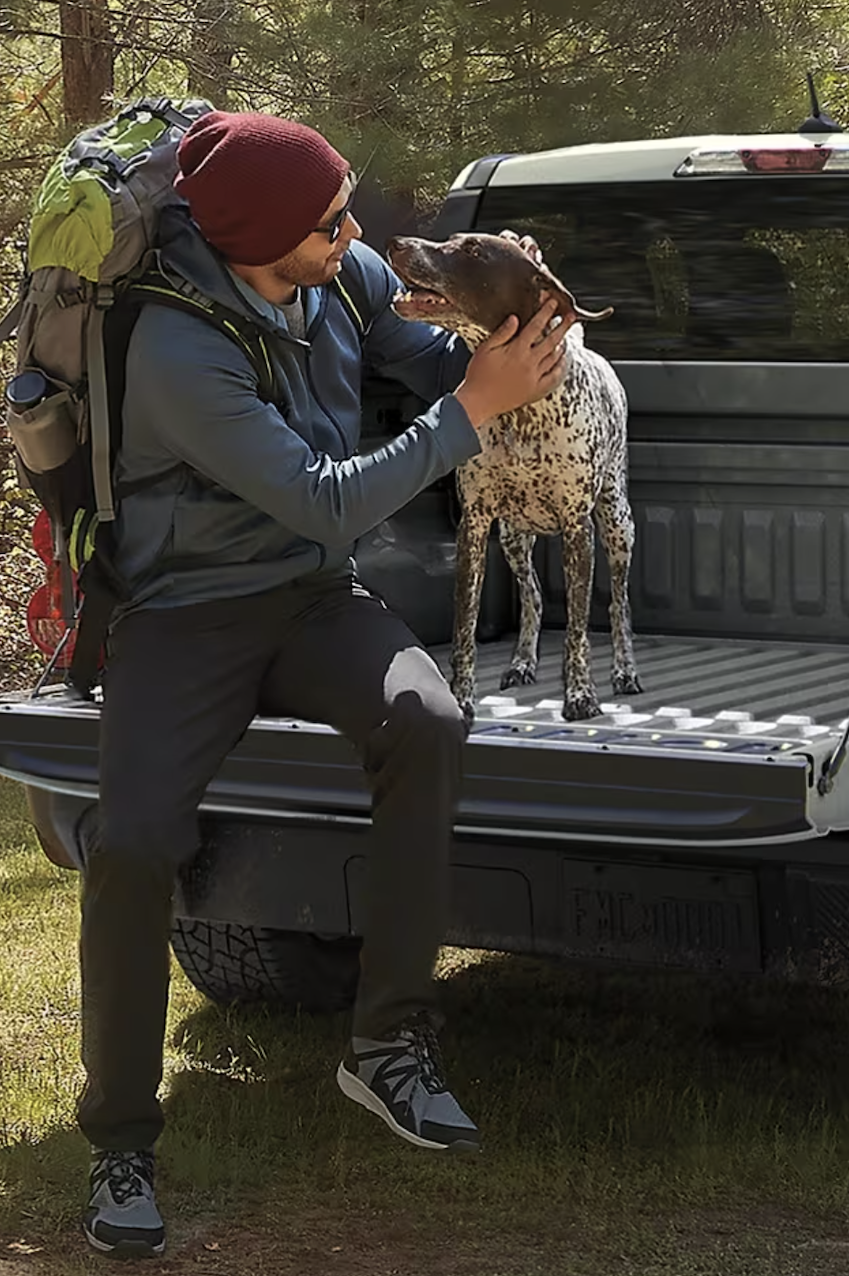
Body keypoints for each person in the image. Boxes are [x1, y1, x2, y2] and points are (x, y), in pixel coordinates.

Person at [75, 110, 570, 1259]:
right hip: (185, 614)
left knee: (426, 720)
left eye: (346, 212)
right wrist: (474, 410)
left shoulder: (338, 273)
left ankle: (387, 1044)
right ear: (260, 241)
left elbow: (428, 361)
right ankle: (120, 1140)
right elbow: (327, 497)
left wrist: (510, 344)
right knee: (134, 844)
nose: (355, 238)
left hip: (312, 598)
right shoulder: (178, 352)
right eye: (331, 224)